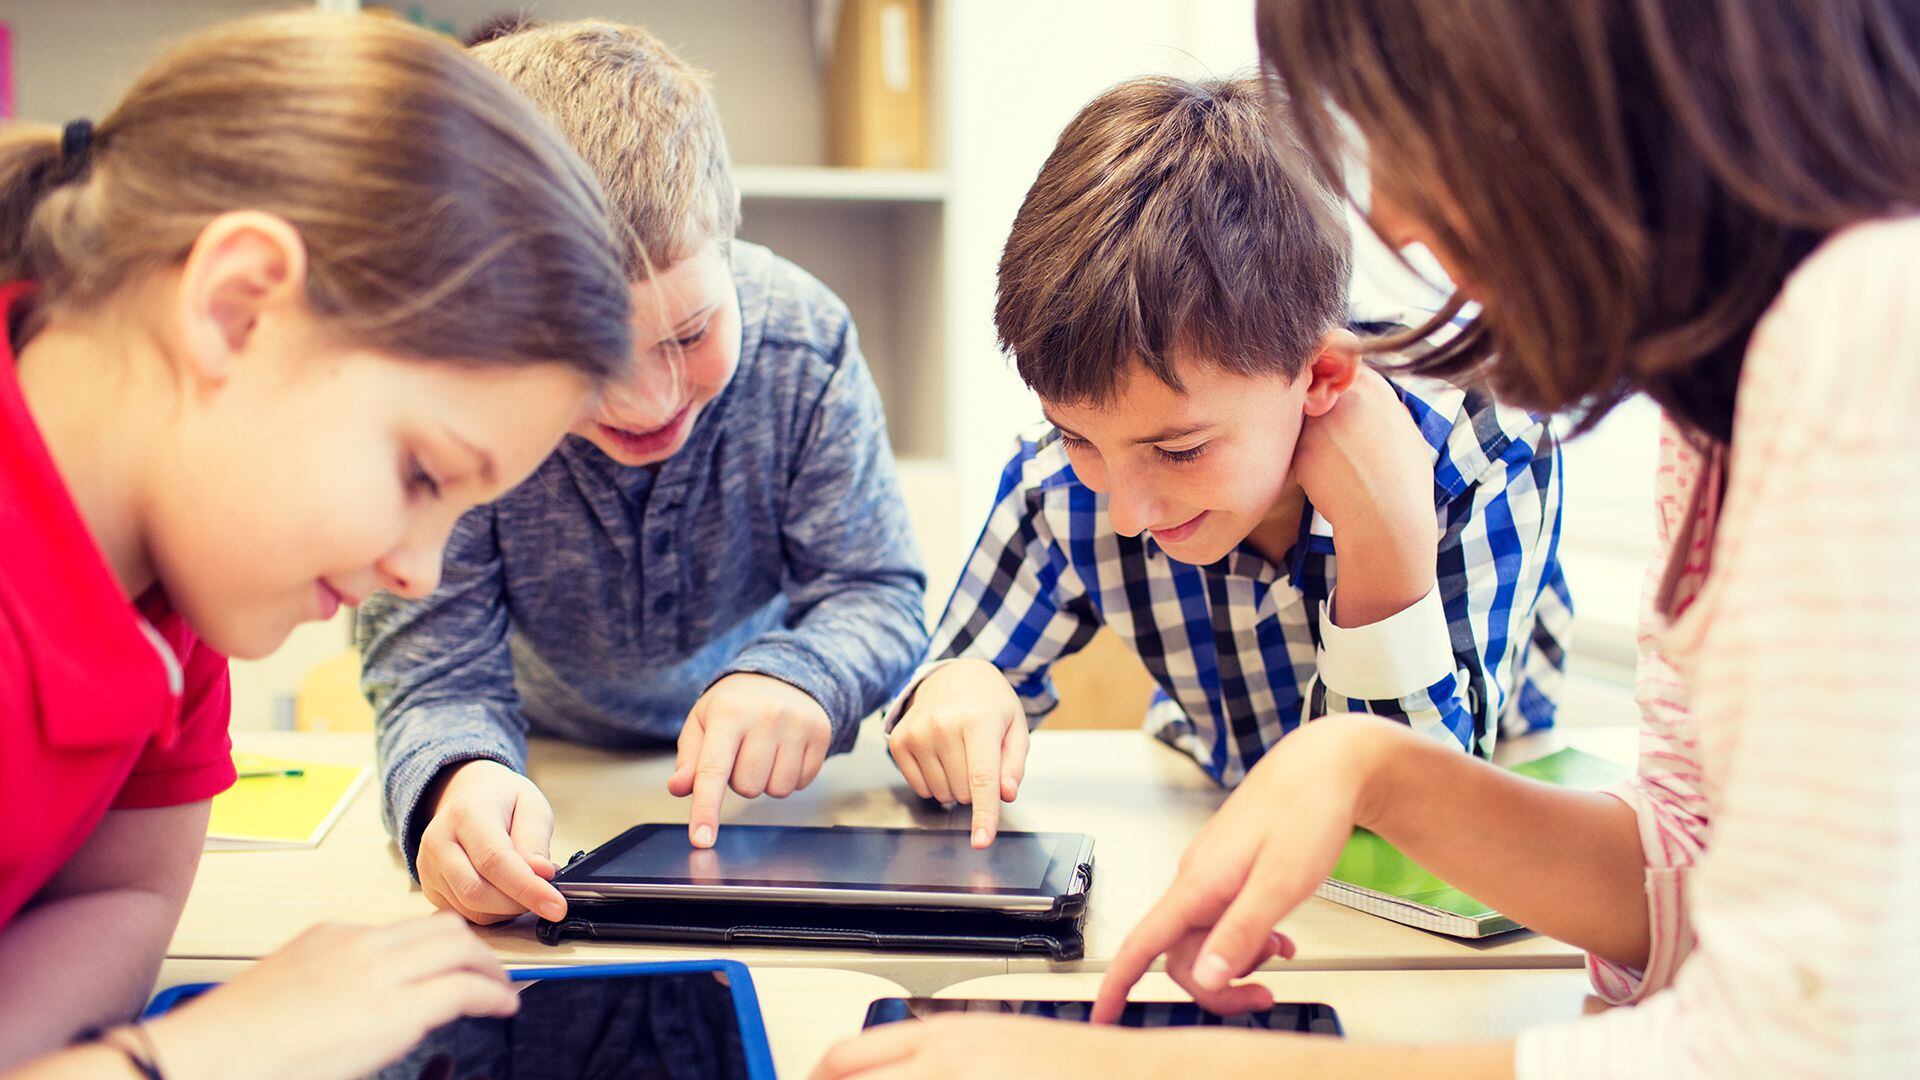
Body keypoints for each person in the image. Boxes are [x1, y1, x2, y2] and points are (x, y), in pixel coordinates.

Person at [814, 0, 1920, 1075]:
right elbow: (1690, 879)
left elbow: (1811, 1039)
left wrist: (1115, 1069)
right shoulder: (1713, 412)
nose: (1385, 213)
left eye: (1404, 121)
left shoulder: (1857, 335)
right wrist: (1364, 765)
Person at [0, 12, 633, 1077]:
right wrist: (190, 1054)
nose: (418, 572)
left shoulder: (178, 568)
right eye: (422, 475)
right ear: (239, 308)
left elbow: (124, 891)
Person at [884, 74, 1569, 846]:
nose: (1127, 512)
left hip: (1482, 845)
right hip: (1217, 804)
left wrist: (1386, 536)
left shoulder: (1484, 446)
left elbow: (1414, 814)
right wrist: (957, 688)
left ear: (1321, 377)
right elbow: (940, 689)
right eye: (1076, 435)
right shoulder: (1060, 487)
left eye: (1178, 450)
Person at [357, 19, 929, 928]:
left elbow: (878, 589)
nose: (649, 399)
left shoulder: (804, 343)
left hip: (775, 799)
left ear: (731, 234)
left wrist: (803, 673)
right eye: (588, 360)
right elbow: (437, 672)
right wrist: (458, 781)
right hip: (543, 772)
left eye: (690, 333)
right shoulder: (459, 393)